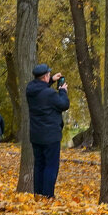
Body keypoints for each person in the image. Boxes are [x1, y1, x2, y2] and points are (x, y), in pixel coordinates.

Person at [26, 63, 69, 198]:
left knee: (39, 165)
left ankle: (38, 195)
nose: (50, 76)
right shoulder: (50, 94)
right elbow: (63, 104)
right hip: (50, 136)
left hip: (36, 135)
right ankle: (48, 196)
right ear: (44, 77)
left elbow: (41, 90)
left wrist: (51, 81)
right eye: (49, 75)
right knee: (51, 166)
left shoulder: (30, 90)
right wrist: (62, 91)